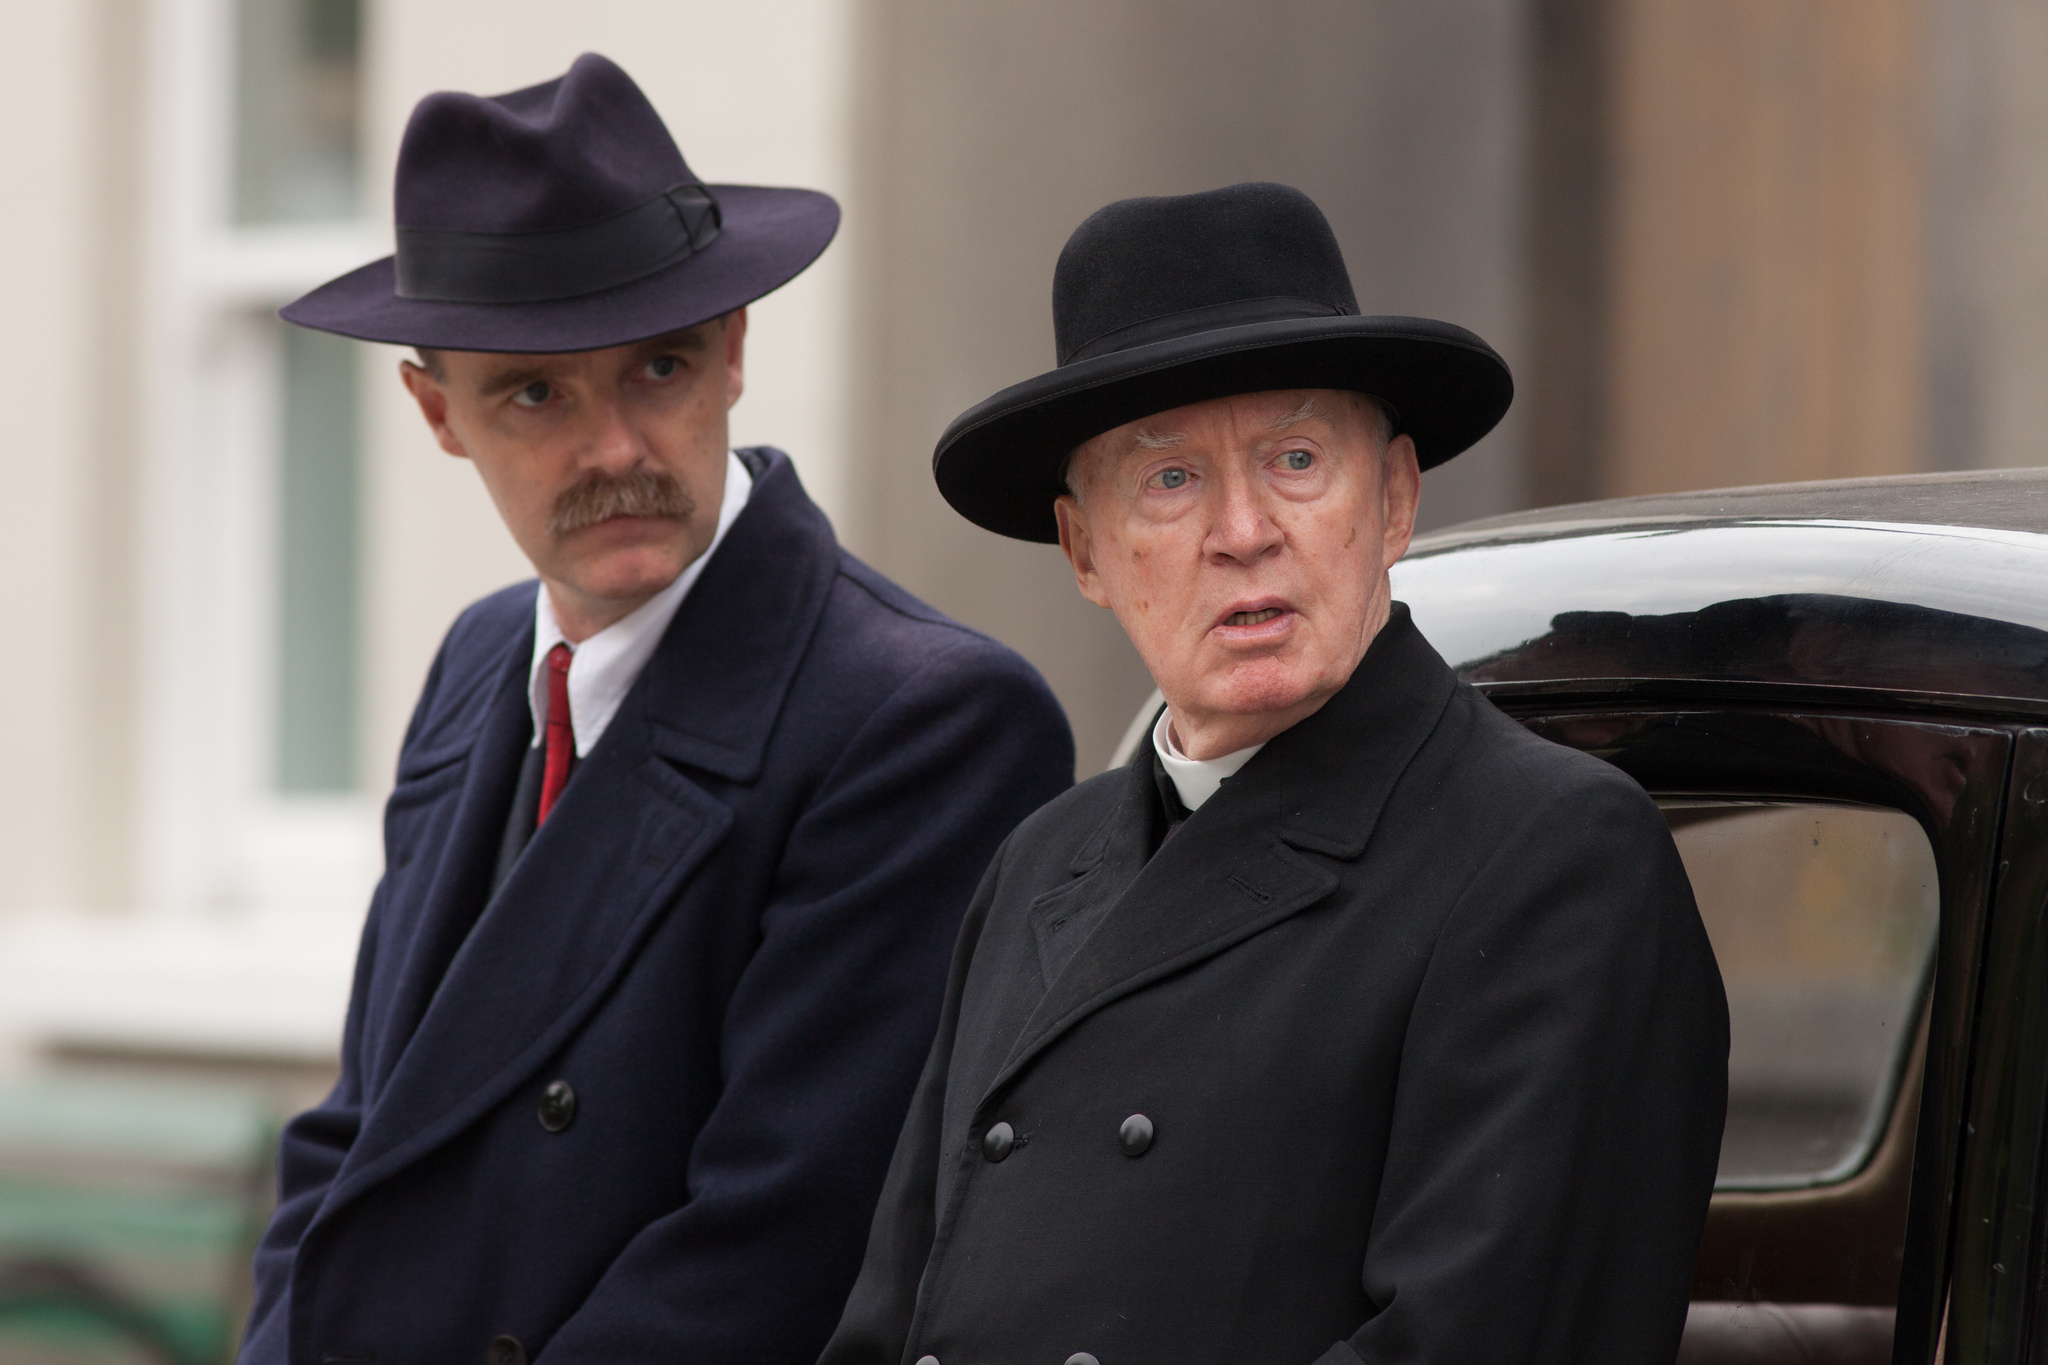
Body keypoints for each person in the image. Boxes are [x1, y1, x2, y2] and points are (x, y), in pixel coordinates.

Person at [237, 54, 1072, 1365]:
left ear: (735, 351)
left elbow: (775, 1251)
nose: (616, 449)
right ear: (434, 409)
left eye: (658, 369)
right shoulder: (475, 666)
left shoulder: (927, 721)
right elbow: (359, 1138)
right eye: (535, 393)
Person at [823, 182, 1728, 1364]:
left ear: (1394, 498)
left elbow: (1469, 1339)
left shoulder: (1551, 856)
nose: (1241, 528)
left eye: (1294, 459)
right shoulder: (1039, 862)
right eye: (1169, 479)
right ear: (1085, 550)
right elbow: (888, 1322)